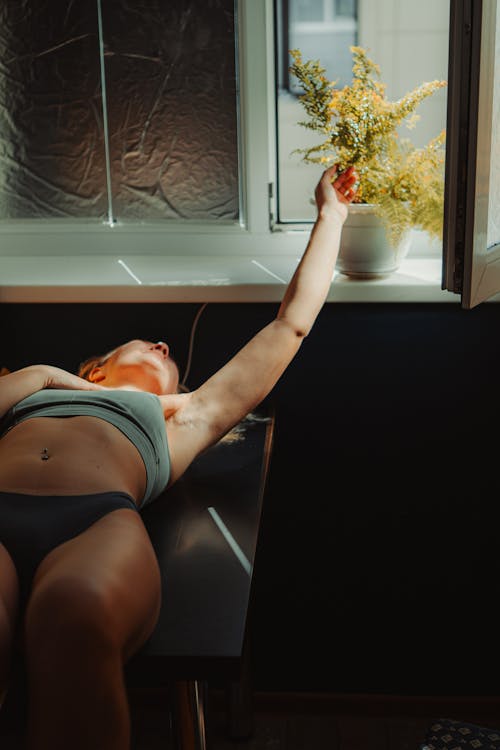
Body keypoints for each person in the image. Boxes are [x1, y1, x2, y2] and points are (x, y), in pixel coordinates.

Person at [0, 164, 358, 750]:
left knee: (75, 617)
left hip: (94, 524)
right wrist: (43, 375)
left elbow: (290, 325)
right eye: (145, 344)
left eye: (168, 356)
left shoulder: (186, 416)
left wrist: (331, 215)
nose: (163, 345)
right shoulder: (36, 385)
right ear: (95, 368)